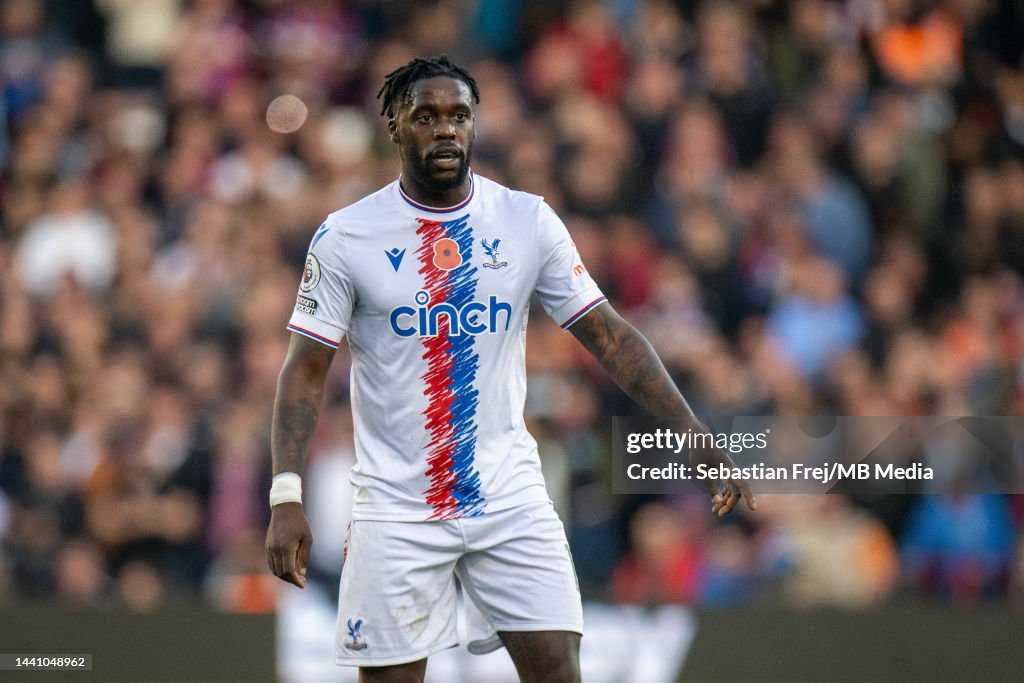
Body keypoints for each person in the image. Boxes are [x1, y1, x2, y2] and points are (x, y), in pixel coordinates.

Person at [265, 55, 755, 683]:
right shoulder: (345, 237)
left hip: (509, 495)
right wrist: (286, 494)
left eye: (459, 115)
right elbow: (305, 371)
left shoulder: (526, 221)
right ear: (394, 126)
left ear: (475, 124)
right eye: (426, 116)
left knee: (557, 668)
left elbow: (608, 336)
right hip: (395, 505)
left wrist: (692, 433)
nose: (445, 130)